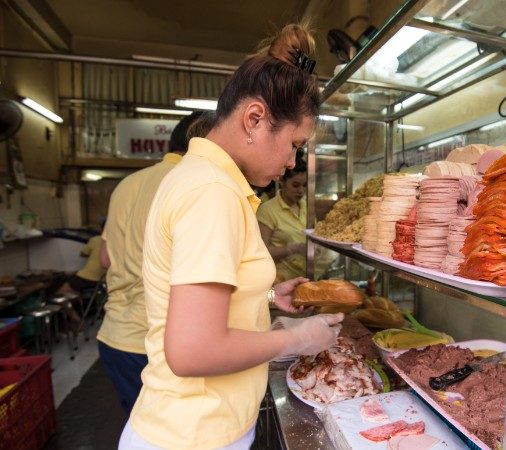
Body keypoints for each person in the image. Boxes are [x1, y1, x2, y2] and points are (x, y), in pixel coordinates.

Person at [120, 24, 343, 450]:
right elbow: (193, 350)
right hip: (192, 436)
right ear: (254, 119)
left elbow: (192, 301)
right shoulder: (212, 192)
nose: (292, 162)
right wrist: (298, 338)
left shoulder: (204, 178)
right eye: (294, 144)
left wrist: (264, 297)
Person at [97, 110, 205, 415]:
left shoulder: (127, 184)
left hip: (116, 337)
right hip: (161, 344)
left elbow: (105, 258)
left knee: (142, 426)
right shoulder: (195, 184)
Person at [257, 152, 308, 282]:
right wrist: (291, 249)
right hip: (280, 281)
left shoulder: (307, 208)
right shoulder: (267, 210)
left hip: (308, 277)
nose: (301, 191)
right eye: (295, 185)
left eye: (304, 185)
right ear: (282, 181)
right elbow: (261, 252)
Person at [55, 234, 106, 326]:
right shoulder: (117, 241)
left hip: (87, 277)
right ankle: (77, 312)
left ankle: (77, 321)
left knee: (60, 295)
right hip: (103, 280)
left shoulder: (95, 239)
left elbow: (83, 254)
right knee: (74, 293)